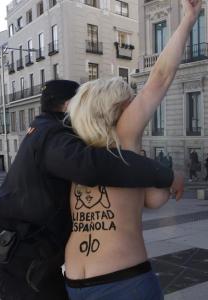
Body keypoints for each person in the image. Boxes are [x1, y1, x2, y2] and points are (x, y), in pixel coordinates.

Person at [0, 78, 183, 300]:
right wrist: (165, 173)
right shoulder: (56, 138)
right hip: (23, 266)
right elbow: (91, 167)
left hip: (30, 265)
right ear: (70, 106)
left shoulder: (46, 132)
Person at [64, 1, 200, 299]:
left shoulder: (79, 151)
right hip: (124, 279)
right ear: (120, 108)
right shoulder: (125, 134)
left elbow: (150, 198)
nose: (137, 104)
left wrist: (158, 173)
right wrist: (188, 19)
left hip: (75, 280)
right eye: (132, 100)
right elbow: (161, 76)